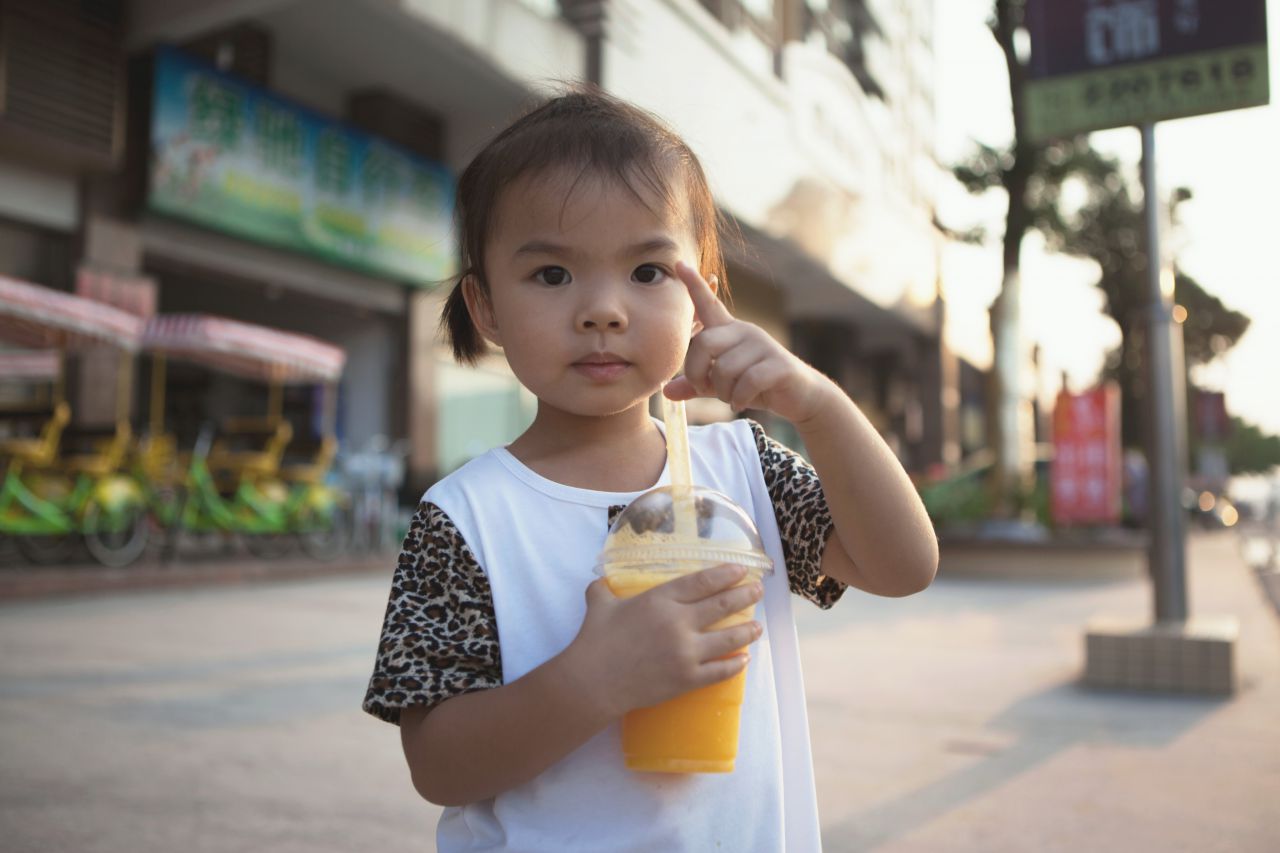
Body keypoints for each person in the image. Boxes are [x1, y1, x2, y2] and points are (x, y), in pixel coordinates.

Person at [362, 89, 938, 852]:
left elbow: (902, 564)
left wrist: (821, 406)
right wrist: (594, 677)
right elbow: (438, 764)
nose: (603, 309)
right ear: (487, 307)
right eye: (552, 276)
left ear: (700, 289)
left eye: (646, 270)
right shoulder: (465, 516)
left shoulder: (743, 468)